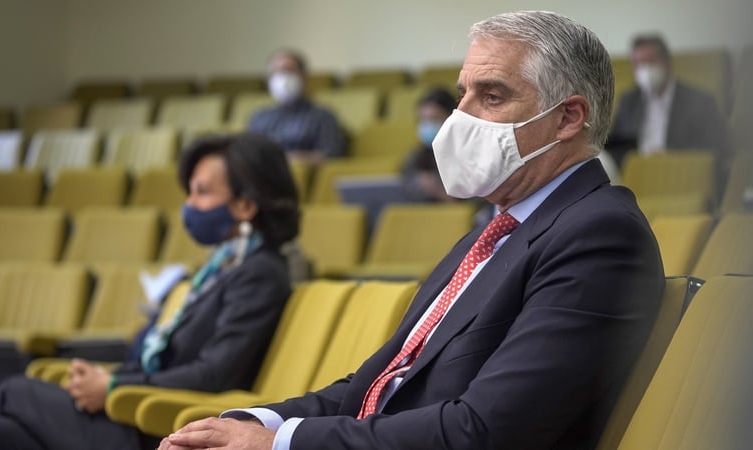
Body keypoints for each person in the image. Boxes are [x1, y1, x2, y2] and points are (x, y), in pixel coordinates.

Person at [158, 11, 666, 450]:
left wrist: (281, 443)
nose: (458, 117)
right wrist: (254, 422)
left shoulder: (598, 235)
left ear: (567, 118)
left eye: (491, 96)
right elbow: (379, 383)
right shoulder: (491, 233)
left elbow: (484, 430)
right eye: (462, 93)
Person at [0, 132, 301, 450]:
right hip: (137, 409)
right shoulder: (224, 267)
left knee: (13, 390)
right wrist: (110, 376)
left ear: (245, 206)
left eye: (202, 192)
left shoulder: (260, 273)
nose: (190, 204)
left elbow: (214, 374)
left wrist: (111, 388)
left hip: (158, 424)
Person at [605, 34, 731, 172]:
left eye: (651, 61)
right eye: (639, 64)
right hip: (638, 174)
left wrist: (670, 156)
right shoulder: (628, 101)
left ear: (668, 62)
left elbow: (718, 147)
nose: (645, 70)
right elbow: (615, 148)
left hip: (679, 173)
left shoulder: (700, 101)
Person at [247, 49, 347, 166]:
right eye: (276, 72)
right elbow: (248, 155)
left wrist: (291, 159)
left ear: (304, 76)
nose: (282, 77)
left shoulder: (322, 116)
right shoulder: (260, 117)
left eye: (289, 71)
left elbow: (332, 155)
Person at [400, 87, 459, 202]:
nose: (428, 125)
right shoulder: (415, 157)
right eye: (423, 119)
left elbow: (480, 210)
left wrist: (440, 193)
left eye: (434, 118)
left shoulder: (469, 156)